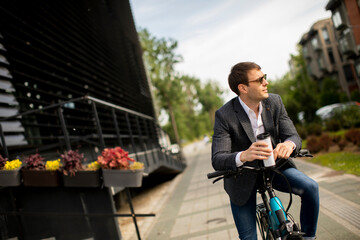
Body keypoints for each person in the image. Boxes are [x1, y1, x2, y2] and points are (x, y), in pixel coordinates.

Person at [211, 62, 319, 240]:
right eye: (260, 79)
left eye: (265, 77)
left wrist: (289, 145)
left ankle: (309, 238)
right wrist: (243, 155)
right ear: (243, 88)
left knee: (311, 187)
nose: (266, 82)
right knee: (248, 237)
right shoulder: (224, 115)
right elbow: (217, 158)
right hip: (242, 177)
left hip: (276, 168)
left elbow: (293, 136)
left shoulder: (274, 101)